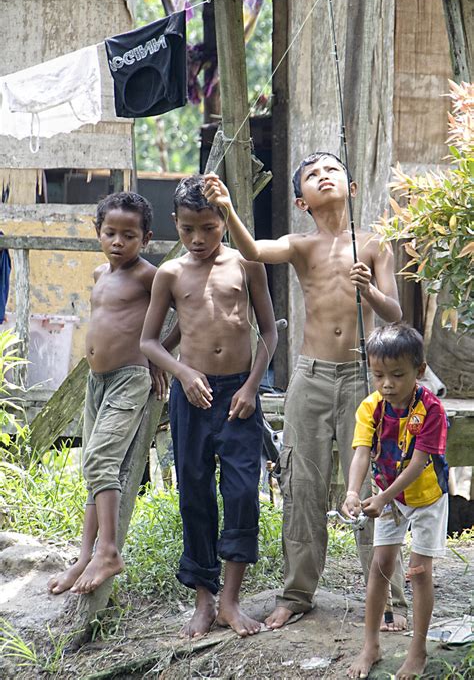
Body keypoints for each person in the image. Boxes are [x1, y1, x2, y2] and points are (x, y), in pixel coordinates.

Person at [204, 152, 407, 630]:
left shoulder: (374, 246)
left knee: (375, 485)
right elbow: (254, 251)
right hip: (311, 377)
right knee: (301, 485)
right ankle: (297, 593)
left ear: (351, 188)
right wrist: (230, 209)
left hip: (364, 377)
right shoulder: (301, 244)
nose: (324, 176)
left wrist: (370, 293)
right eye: (312, 175)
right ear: (301, 201)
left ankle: (389, 599)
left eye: (333, 169)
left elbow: (394, 314)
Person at [140, 175, 277, 638]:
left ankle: (231, 602)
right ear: (176, 226)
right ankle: (203, 599)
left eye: (208, 228)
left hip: (239, 395)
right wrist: (181, 372)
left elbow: (269, 333)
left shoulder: (246, 265)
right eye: (186, 229)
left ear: (224, 220)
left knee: (241, 493)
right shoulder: (171, 274)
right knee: (194, 493)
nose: (197, 239)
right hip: (191, 396)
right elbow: (149, 341)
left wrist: (252, 388)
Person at [48, 191, 168, 595]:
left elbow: (183, 312)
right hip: (96, 382)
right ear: (97, 232)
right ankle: (86, 555)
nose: (119, 242)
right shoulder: (101, 274)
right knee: (92, 468)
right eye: (111, 233)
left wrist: (158, 357)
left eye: (129, 236)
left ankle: (110, 550)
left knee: (101, 459)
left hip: (129, 377)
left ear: (146, 239)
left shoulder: (149, 276)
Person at [343, 323, 449, 679]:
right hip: (387, 491)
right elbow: (360, 453)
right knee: (380, 564)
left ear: (419, 371)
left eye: (397, 375)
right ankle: (370, 644)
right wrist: (353, 493)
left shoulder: (431, 410)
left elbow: (419, 464)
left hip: (426, 497)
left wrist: (382, 497)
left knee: (419, 572)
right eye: (378, 375)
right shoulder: (371, 407)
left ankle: (416, 649)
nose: (387, 384)